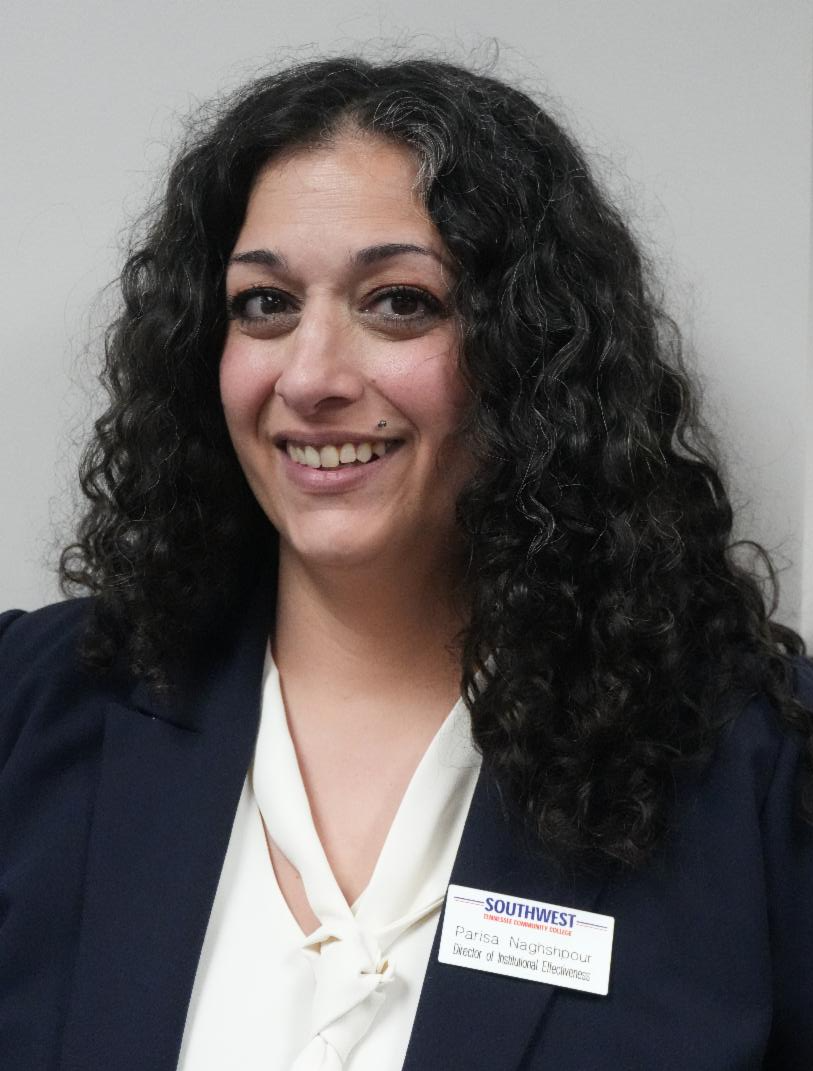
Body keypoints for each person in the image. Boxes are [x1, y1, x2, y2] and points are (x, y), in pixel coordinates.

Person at [0, 55, 811, 1071]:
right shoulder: (29, 711)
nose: (312, 375)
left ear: (528, 352)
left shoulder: (753, 774)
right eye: (265, 305)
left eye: (398, 303)